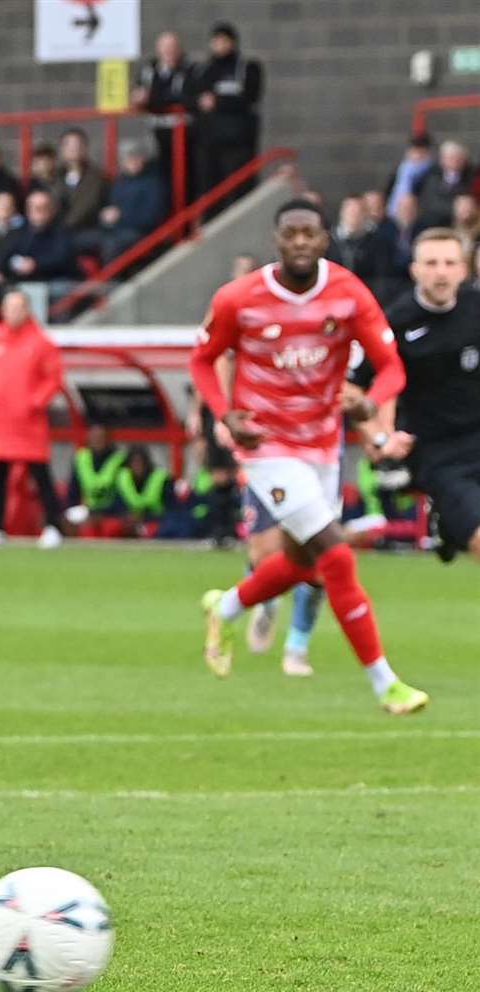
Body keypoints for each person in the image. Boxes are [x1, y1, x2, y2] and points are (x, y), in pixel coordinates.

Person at [191, 198, 426, 715]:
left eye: (309, 234)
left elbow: (392, 368)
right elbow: (203, 359)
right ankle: (385, 683)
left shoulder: (347, 293)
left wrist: (368, 400)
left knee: (303, 565)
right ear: (278, 240)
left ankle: (224, 606)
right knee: (336, 555)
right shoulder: (240, 298)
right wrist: (222, 413)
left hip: (322, 444)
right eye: (290, 233)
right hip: (267, 448)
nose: (300, 241)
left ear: (324, 240)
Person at [381, 228, 480, 566]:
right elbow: (363, 387)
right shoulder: (396, 322)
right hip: (438, 451)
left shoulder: (476, 308)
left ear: (463, 269)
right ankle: (450, 518)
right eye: (432, 263)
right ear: (415, 270)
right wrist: (381, 436)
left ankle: (448, 526)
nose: (441, 271)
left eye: (450, 262)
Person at [0, 291, 68, 548]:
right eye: (9, 307)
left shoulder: (40, 343)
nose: (13, 313)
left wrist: (35, 402)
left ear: (28, 310)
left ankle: (52, 526)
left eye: (19, 307)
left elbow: (53, 377)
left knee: (39, 472)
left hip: (28, 421)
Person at [193, 22, 264, 208]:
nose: (219, 45)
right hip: (211, 142)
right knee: (211, 190)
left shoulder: (247, 67)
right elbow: (192, 97)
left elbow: (251, 96)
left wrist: (219, 102)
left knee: (241, 188)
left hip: (239, 142)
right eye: (215, 41)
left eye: (224, 41)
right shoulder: (204, 70)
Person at [132, 31, 197, 194]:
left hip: (183, 134)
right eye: (165, 47)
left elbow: (185, 98)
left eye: (173, 47)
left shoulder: (190, 70)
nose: (169, 51)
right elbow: (139, 94)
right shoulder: (148, 70)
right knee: (159, 178)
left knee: (184, 179)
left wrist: (153, 100)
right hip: (154, 133)